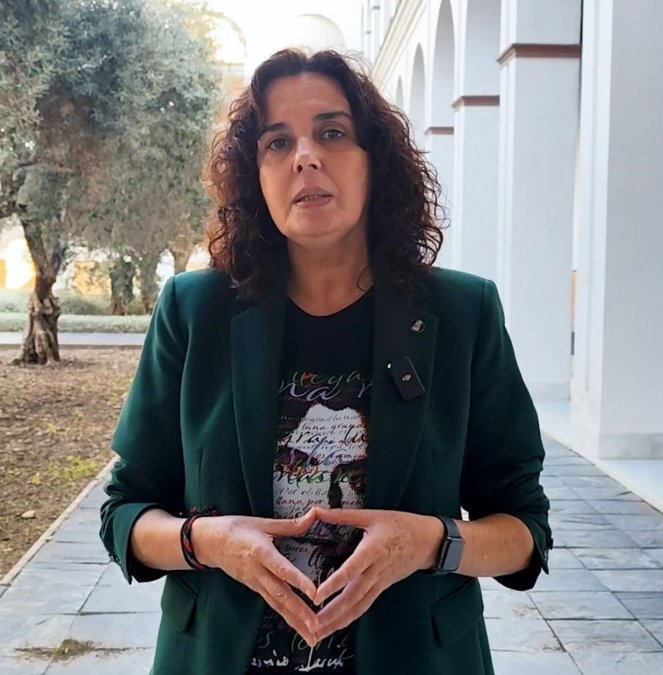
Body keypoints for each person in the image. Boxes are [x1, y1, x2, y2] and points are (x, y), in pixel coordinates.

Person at [100, 49, 552, 675]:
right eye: (277, 142)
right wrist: (211, 542)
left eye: (332, 133)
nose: (305, 157)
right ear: (255, 176)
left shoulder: (462, 313)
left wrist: (430, 543)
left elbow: (524, 531)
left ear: (375, 161)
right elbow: (125, 511)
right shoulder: (193, 310)